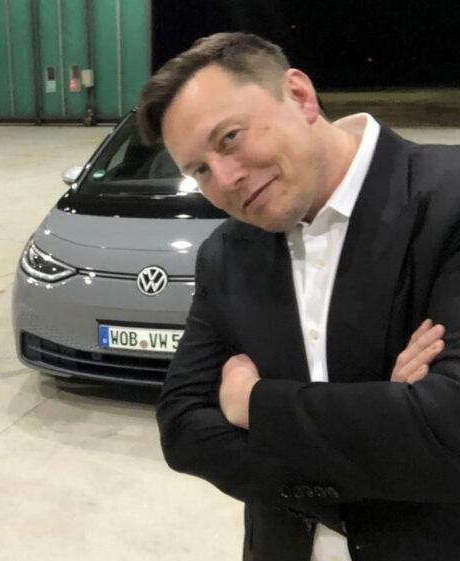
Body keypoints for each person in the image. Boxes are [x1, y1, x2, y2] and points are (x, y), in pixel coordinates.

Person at [138, 32, 460, 561]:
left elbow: (450, 430)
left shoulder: (446, 202)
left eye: (229, 138)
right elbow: (183, 427)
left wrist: (252, 404)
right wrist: (388, 417)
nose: (226, 179)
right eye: (199, 170)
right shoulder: (226, 253)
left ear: (300, 95)